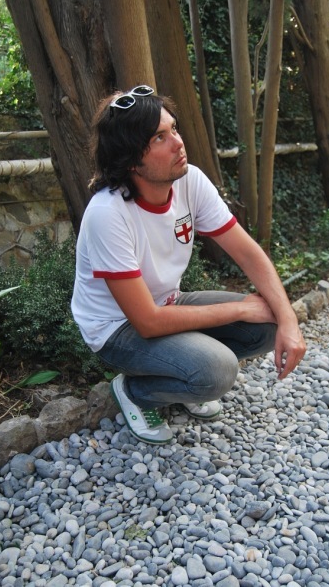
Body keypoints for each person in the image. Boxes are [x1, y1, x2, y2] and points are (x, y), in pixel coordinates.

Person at [71, 85, 306, 445]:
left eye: (174, 129)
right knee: (217, 370)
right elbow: (147, 322)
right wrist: (239, 308)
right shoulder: (108, 214)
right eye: (159, 137)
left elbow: (247, 253)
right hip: (117, 330)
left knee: (269, 321)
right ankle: (136, 393)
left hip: (168, 303)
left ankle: (181, 377)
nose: (178, 143)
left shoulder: (189, 181)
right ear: (131, 159)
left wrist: (288, 319)